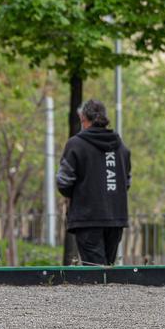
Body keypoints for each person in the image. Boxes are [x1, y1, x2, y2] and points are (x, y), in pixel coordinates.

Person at [57, 99, 132, 266]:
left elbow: (63, 181)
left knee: (96, 272)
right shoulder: (121, 148)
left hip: (87, 217)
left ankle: (101, 293)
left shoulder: (75, 145)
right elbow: (126, 182)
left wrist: (77, 195)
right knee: (107, 268)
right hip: (116, 217)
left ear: (83, 118)